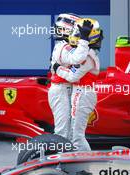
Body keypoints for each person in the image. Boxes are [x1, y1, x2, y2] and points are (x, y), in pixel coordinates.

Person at [52, 18, 103, 151]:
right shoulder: (85, 52)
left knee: (77, 137)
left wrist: (57, 68)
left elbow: (72, 76)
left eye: (78, 33)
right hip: (79, 93)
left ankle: (85, 165)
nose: (74, 35)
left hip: (82, 93)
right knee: (71, 134)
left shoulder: (87, 56)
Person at [48, 13, 81, 139]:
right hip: (61, 89)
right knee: (62, 130)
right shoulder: (64, 47)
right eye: (78, 32)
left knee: (68, 130)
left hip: (64, 88)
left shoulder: (65, 46)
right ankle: (58, 157)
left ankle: (66, 155)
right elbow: (79, 61)